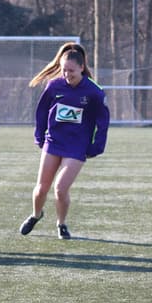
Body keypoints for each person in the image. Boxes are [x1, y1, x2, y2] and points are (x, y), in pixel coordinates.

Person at [19, 42, 110, 239]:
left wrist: (97, 146)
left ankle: (61, 224)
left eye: (71, 71)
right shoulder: (54, 85)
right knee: (41, 189)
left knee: (60, 188)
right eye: (63, 70)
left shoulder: (94, 91)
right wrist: (39, 135)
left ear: (81, 68)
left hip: (77, 146)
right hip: (54, 142)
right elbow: (42, 111)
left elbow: (103, 121)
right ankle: (36, 215)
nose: (67, 75)